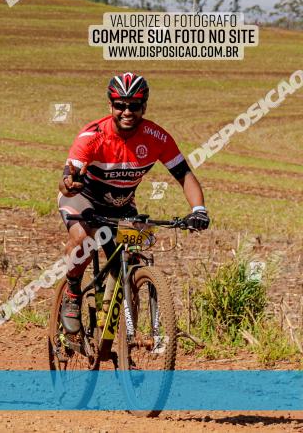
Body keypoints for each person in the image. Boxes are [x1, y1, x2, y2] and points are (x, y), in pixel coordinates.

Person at [57, 72, 209, 333]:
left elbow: (184, 175)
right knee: (83, 237)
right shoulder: (92, 136)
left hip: (122, 205)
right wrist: (69, 183)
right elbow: (67, 177)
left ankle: (128, 341)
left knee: (134, 260)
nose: (127, 111)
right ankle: (72, 294)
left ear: (144, 107)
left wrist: (199, 210)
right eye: (120, 105)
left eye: (134, 105)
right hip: (83, 198)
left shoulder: (157, 137)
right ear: (110, 106)